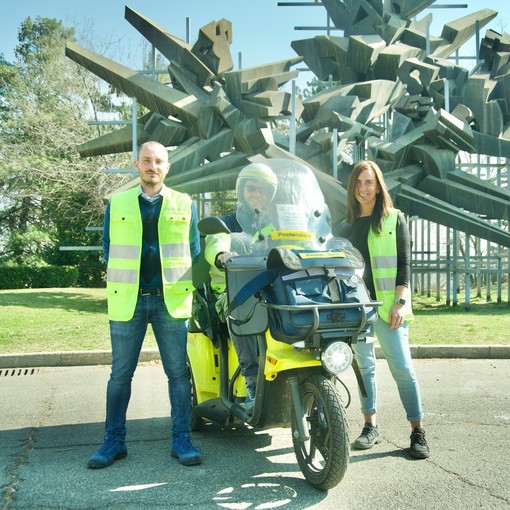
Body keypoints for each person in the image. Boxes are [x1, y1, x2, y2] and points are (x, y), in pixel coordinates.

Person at [88, 141, 202, 468]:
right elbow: (108, 249)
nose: (153, 166)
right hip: (129, 302)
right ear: (135, 164)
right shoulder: (118, 202)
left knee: (178, 374)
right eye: (147, 161)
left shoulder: (184, 203)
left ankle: (182, 440)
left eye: (159, 161)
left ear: (167, 167)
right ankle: (113, 442)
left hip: (171, 303)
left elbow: (194, 253)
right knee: (120, 375)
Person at [344, 159, 430, 459]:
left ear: (379, 185)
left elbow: (404, 265)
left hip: (388, 308)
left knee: (403, 369)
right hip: (358, 311)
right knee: (365, 368)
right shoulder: (347, 225)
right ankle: (370, 426)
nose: (363, 188)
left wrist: (400, 302)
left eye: (369, 182)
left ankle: (417, 431)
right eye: (358, 183)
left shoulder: (394, 219)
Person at [204, 162, 278, 411]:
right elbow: (216, 242)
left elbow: (288, 242)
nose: (257, 194)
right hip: (230, 290)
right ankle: (251, 380)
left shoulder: (270, 225)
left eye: (262, 190)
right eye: (252, 188)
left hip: (264, 288)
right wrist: (222, 254)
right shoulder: (228, 222)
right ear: (242, 191)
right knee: (242, 309)